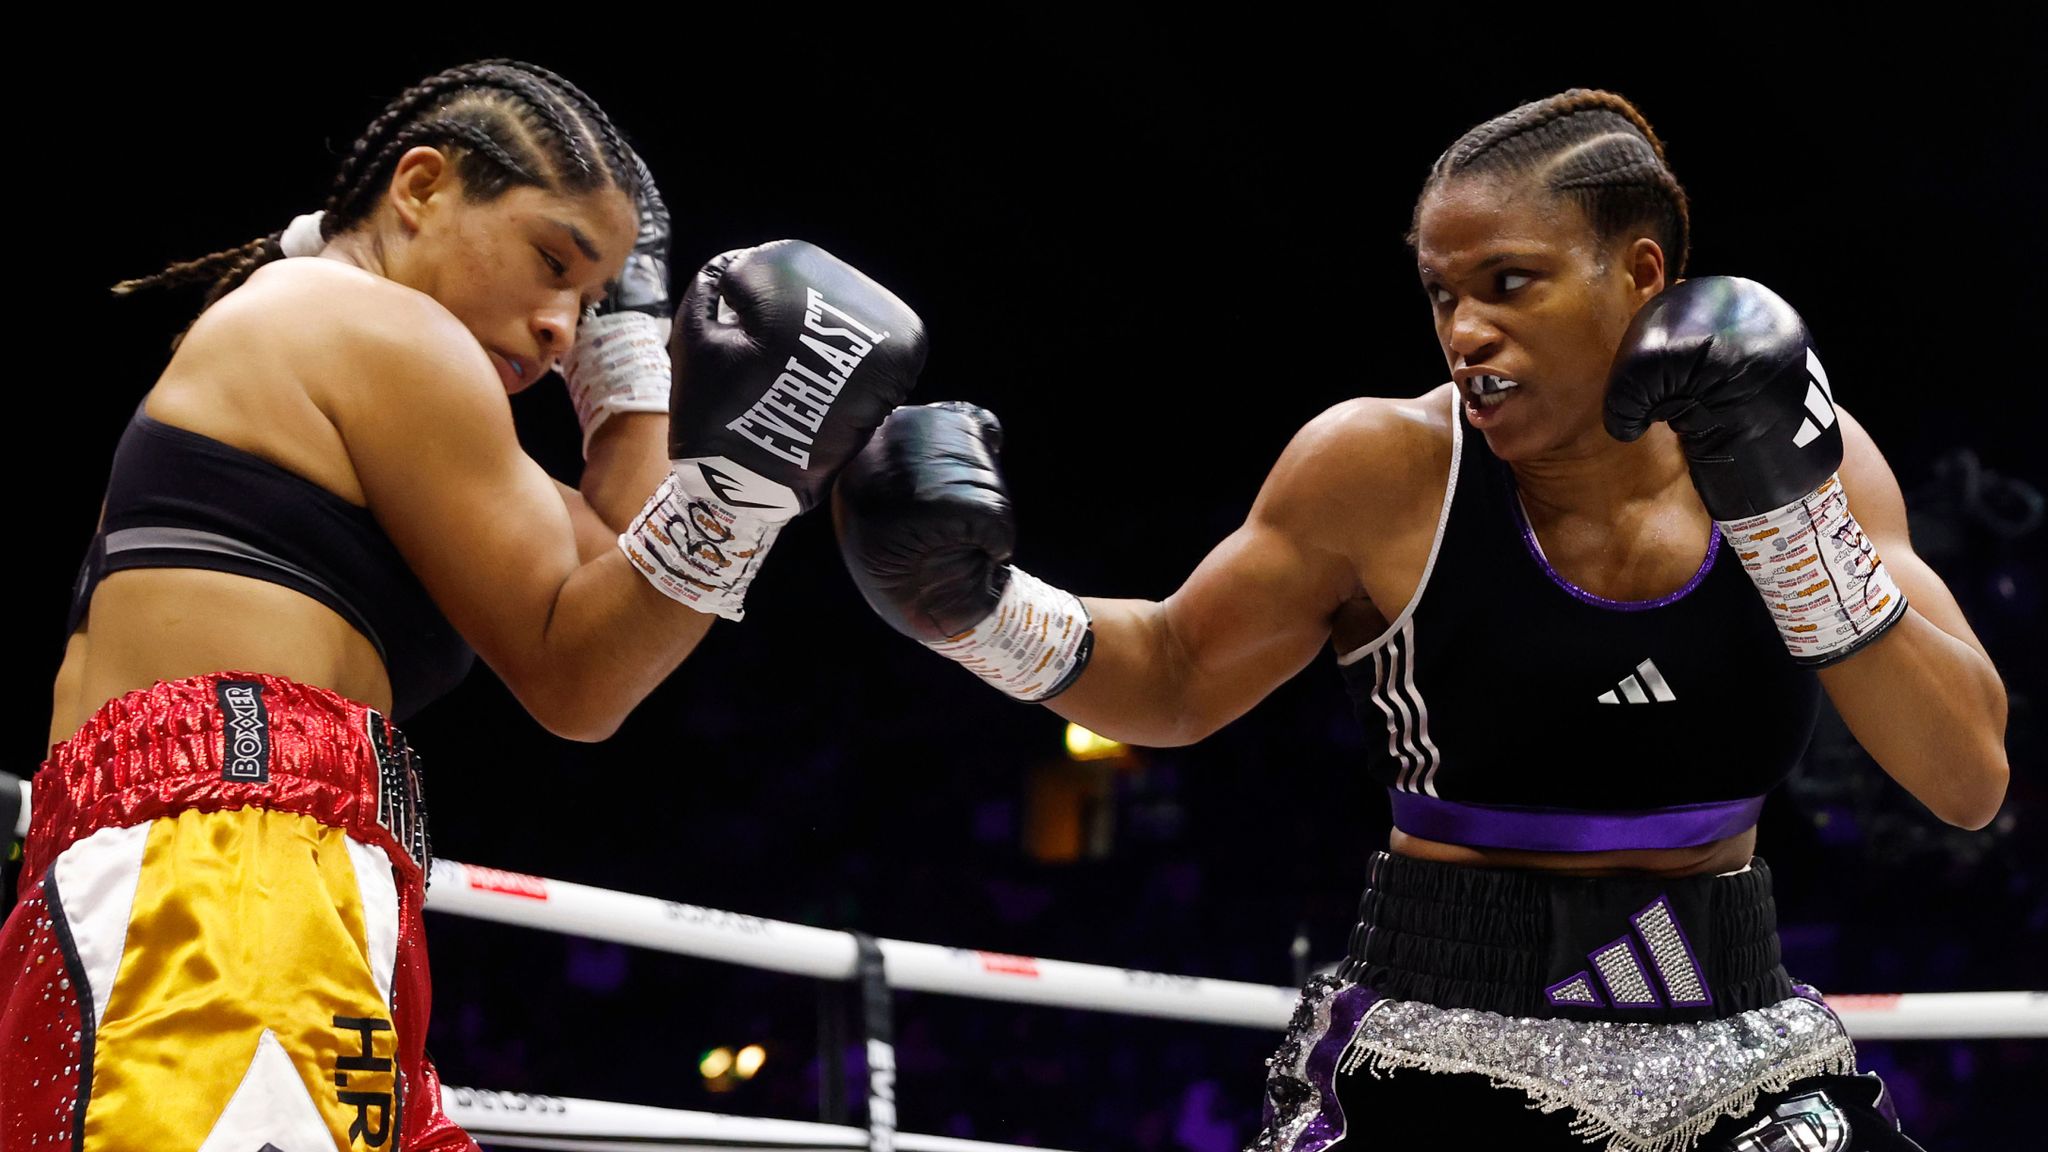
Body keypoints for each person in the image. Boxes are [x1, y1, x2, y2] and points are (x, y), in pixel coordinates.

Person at [830, 89, 2008, 1149]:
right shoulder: (1380, 469)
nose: (1463, 333)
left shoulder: (1814, 459)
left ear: (1639, 275)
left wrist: (1793, 530)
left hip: (1733, 1023)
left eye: (1507, 283)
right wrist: (975, 613)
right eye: (1440, 294)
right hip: (1443, 1034)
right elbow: (1178, 673)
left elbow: (1966, 776)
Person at [1, 58, 924, 1151]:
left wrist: (629, 366)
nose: (559, 327)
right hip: (227, 884)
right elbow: (581, 673)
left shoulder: (329, 345)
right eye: (551, 262)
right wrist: (750, 475)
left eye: (593, 302)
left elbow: (617, 580)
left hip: (240, 871)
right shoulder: (370, 327)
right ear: (422, 188)